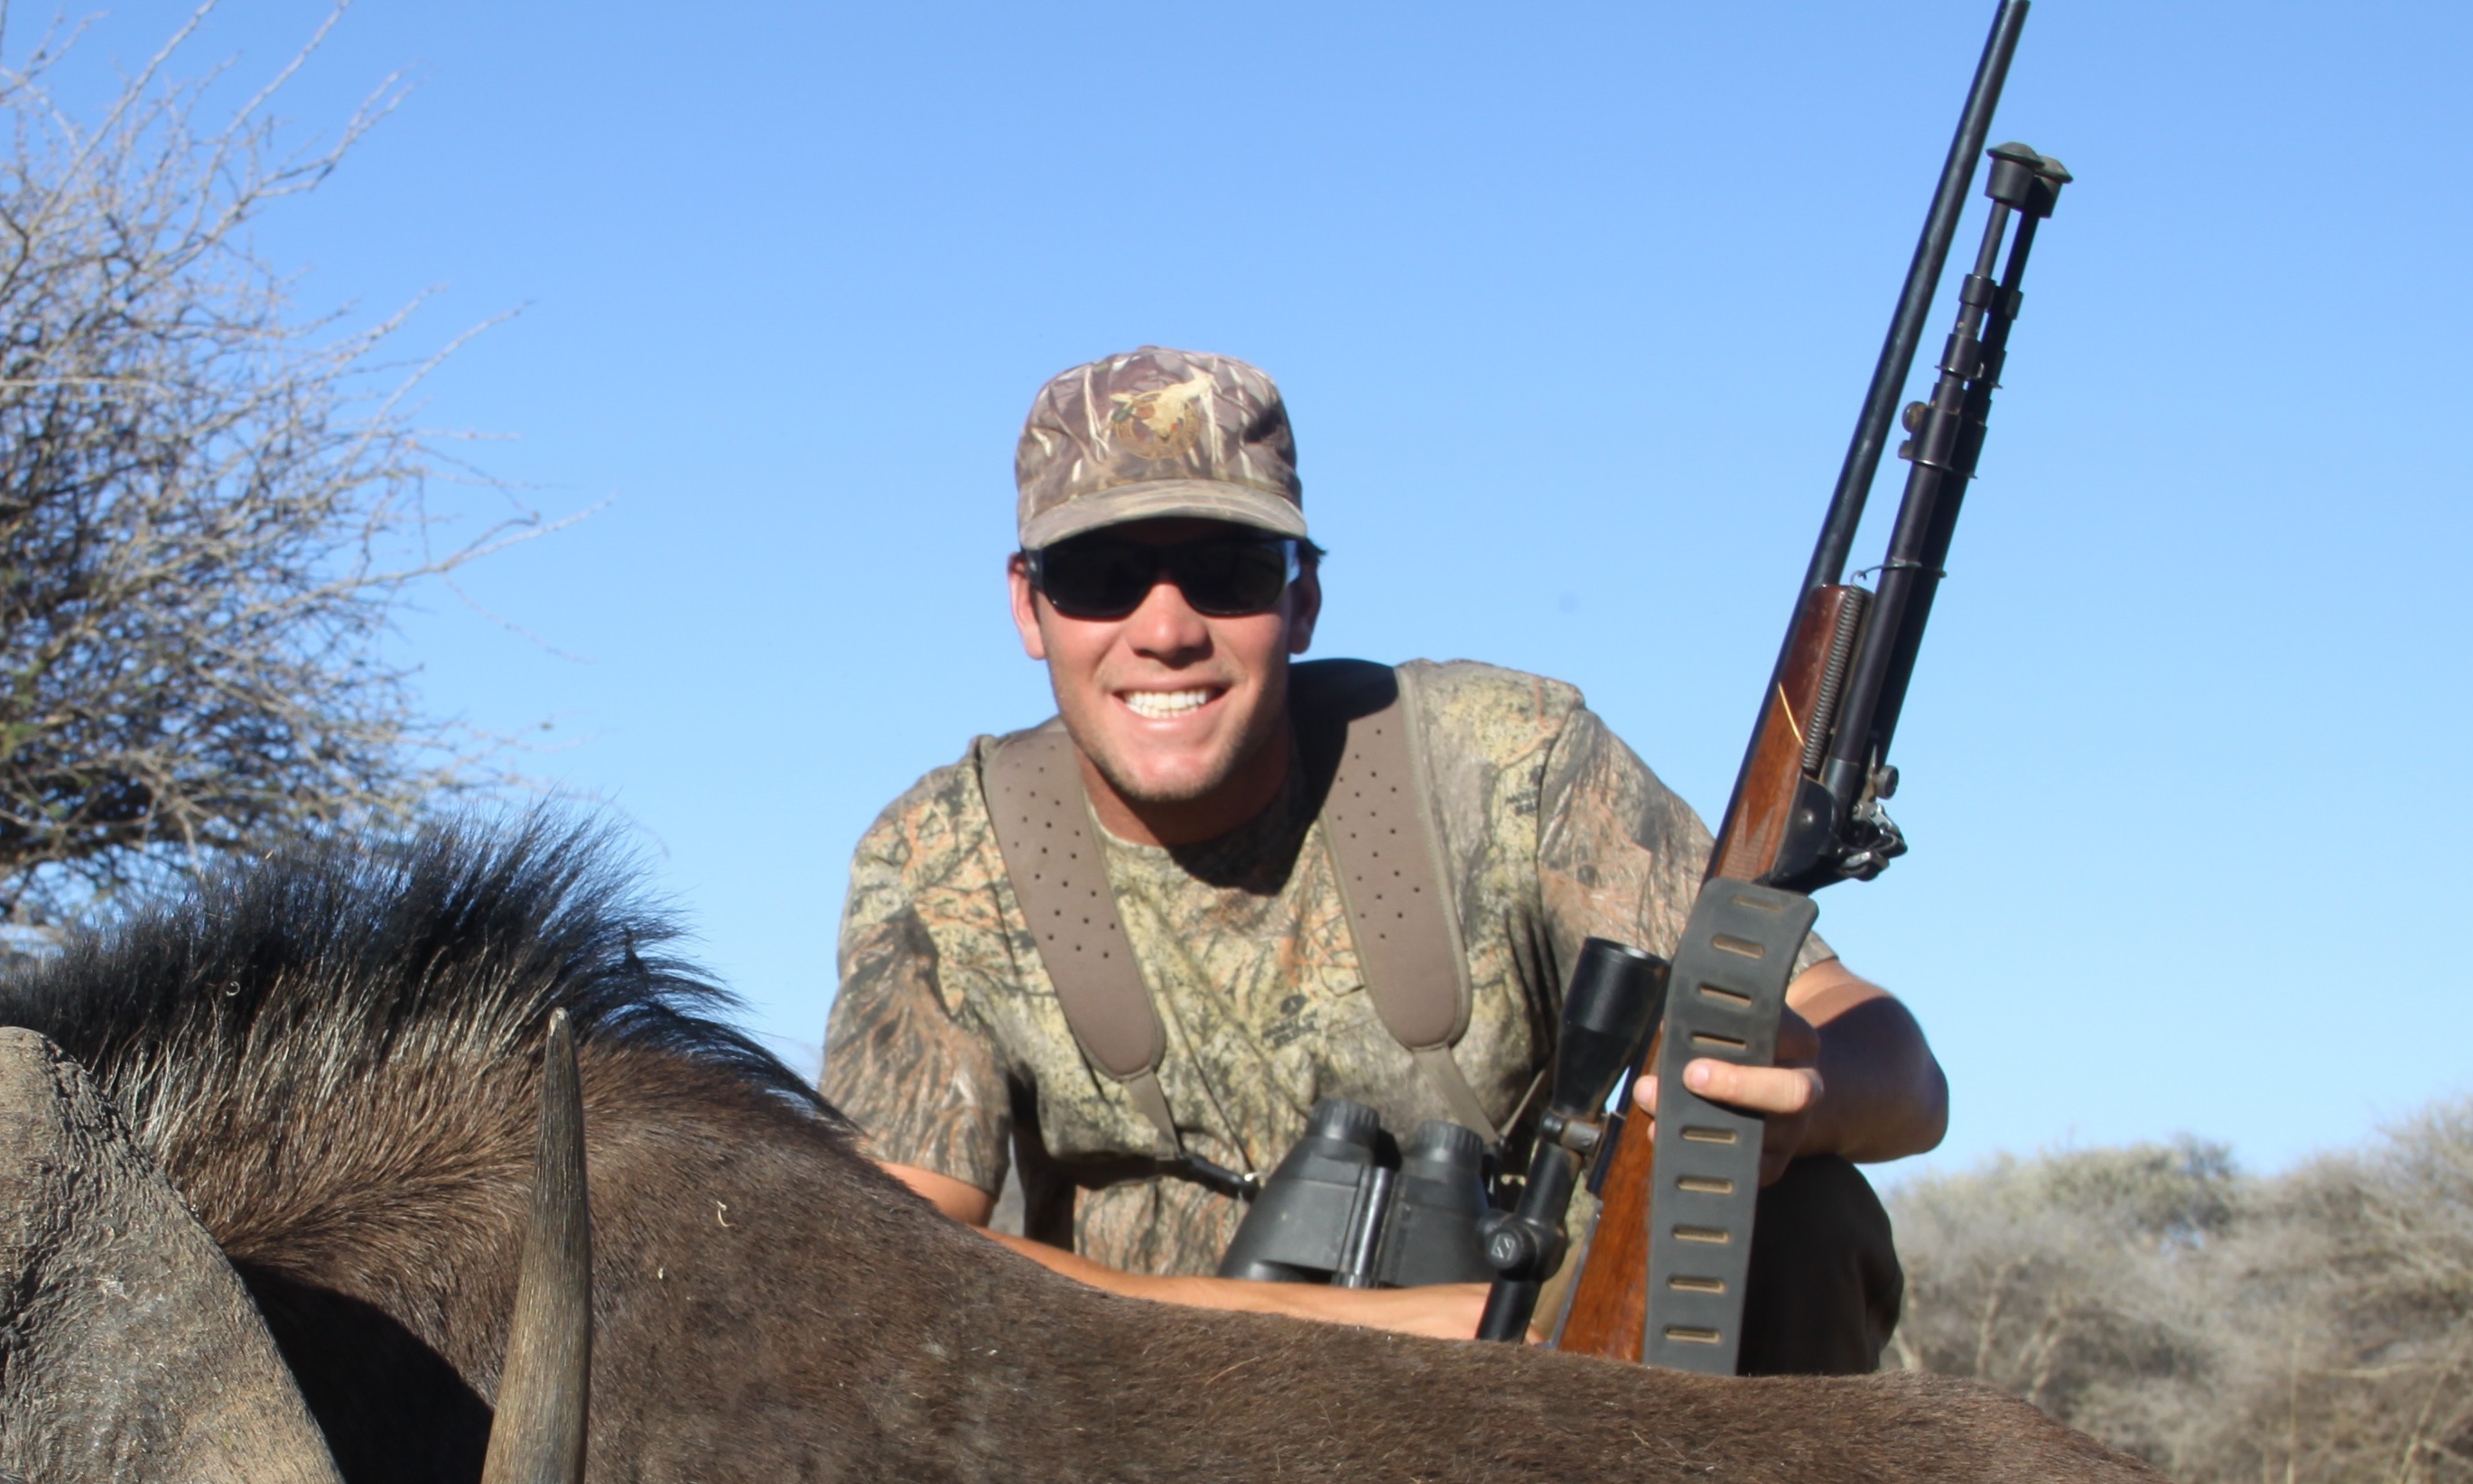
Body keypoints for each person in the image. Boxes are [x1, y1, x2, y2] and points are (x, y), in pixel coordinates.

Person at [821, 346, 1945, 1361]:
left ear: (1303, 599)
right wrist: (1377, 1336)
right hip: (1146, 1446)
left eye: (1231, 571)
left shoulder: (1506, 761)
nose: (1164, 629)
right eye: (1101, 578)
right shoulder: (942, 858)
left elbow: (1895, 1064)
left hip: (1559, 1420)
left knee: (1804, 1210)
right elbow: (891, 1262)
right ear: (1030, 607)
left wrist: (1808, 1087)